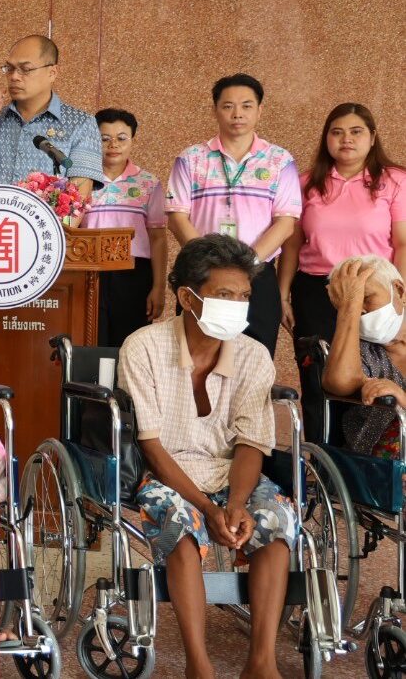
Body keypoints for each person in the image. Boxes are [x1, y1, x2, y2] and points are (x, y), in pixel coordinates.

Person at [119, 233, 294, 679]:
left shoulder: (254, 356)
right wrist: (204, 507)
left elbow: (251, 442)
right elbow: (150, 444)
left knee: (275, 521)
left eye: (244, 296)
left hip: (232, 471)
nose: (237, 306)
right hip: (167, 470)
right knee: (179, 525)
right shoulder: (143, 347)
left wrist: (235, 504)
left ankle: (262, 662)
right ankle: (198, 664)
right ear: (187, 298)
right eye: (224, 295)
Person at [167, 74, 301, 355]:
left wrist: (247, 263)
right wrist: (206, 259)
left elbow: (285, 222)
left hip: (258, 273)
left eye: (246, 106)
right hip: (203, 273)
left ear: (260, 110)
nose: (237, 114)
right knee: (196, 352)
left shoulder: (280, 161)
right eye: (228, 106)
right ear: (215, 110)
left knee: (256, 354)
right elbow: (177, 217)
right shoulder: (190, 159)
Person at [280, 104, 406, 344]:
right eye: (337, 132)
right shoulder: (305, 183)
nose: (346, 139)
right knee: (319, 363)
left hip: (374, 288)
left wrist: (401, 298)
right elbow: (291, 245)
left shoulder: (395, 181)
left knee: (373, 364)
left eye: (356, 131)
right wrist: (282, 296)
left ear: (372, 138)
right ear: (326, 138)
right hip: (316, 291)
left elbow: (403, 244)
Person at [0, 35, 101, 198]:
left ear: (52, 73)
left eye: (25, 69)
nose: (14, 76)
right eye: (9, 68)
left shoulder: (80, 124)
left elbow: (78, 200)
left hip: (45, 215)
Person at [83, 108, 168, 348]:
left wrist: (158, 287)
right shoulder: (81, 180)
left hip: (133, 273)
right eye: (104, 139)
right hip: (89, 271)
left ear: (132, 140)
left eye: (121, 138)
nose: (113, 145)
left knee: (129, 344)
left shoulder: (148, 183)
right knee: (90, 342)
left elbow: (158, 238)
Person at [321, 255, 406, 457]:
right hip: (378, 463)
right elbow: (339, 383)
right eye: (346, 306)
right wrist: (349, 305)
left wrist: (402, 398)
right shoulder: (361, 350)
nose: (361, 311)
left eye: (366, 298)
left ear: (399, 290)